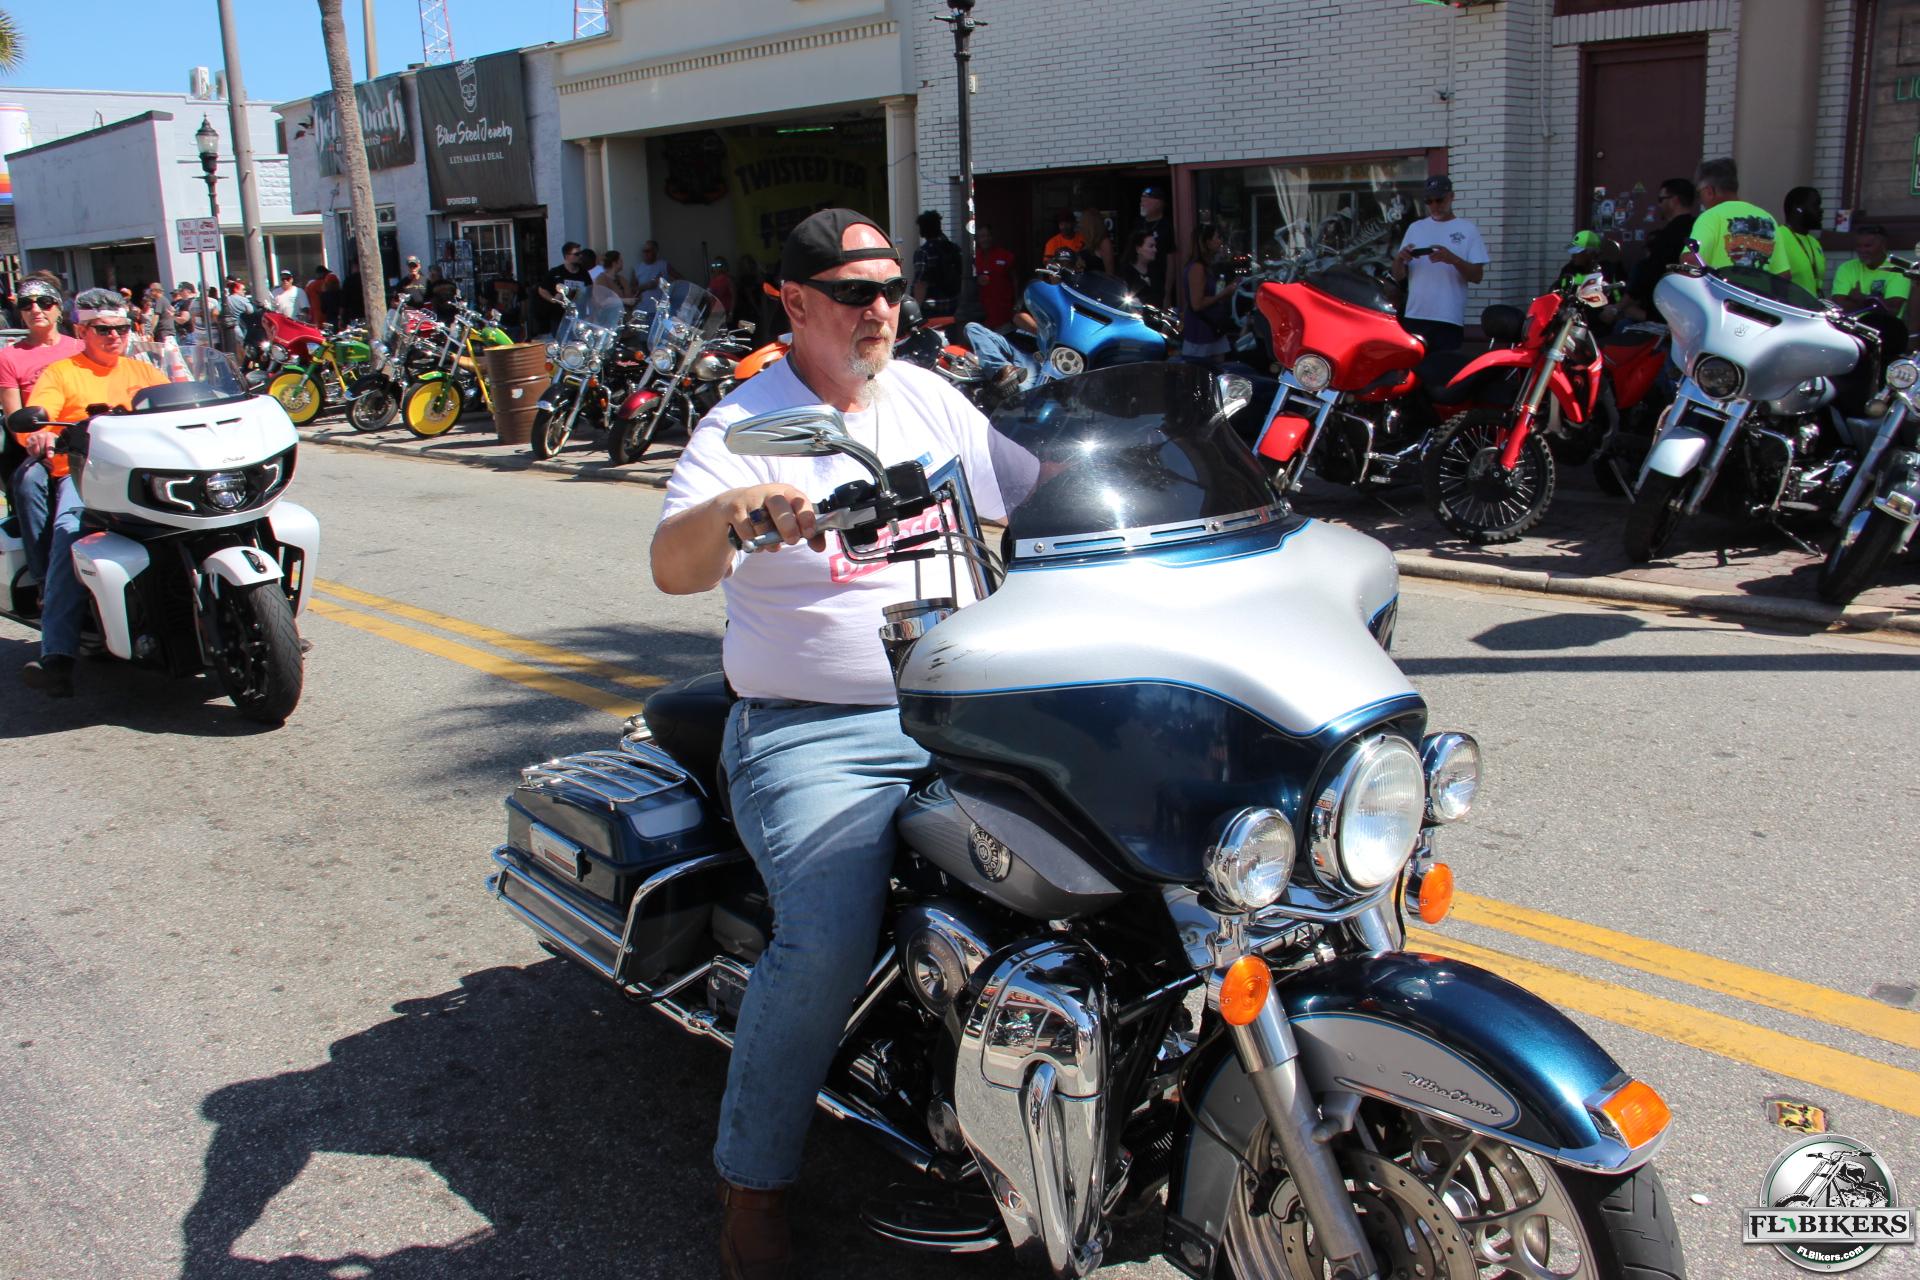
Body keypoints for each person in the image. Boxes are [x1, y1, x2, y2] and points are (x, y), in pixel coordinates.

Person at [651, 208, 1004, 1280]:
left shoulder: (928, 397)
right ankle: (752, 1184)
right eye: (855, 292)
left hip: (972, 705)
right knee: (829, 930)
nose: (881, 309)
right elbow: (672, 563)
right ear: (796, 302)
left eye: (892, 289)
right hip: (817, 728)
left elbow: (1037, 484)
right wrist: (739, 510)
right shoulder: (746, 421)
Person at [16, 289, 168, 697]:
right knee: (70, 534)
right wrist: (41, 435)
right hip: (86, 473)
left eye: (122, 328)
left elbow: (182, 404)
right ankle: (57, 656)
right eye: (103, 329)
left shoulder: (144, 371)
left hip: (151, 473)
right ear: (82, 331)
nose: (114, 336)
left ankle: (264, 625)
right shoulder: (62, 373)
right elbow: (40, 416)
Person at [1391, 174, 1489, 353]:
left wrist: (1453, 259)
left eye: (1439, 200)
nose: (1435, 205)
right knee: (1414, 367)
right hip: (1415, 315)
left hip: (1448, 317)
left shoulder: (1467, 230)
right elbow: (1398, 276)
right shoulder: (1416, 228)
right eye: (1429, 201)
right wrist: (1400, 259)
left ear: (1451, 197)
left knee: (1444, 367)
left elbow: (1477, 276)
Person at [1689, 157, 1784, 273]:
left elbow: (1690, 260)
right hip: (1758, 285)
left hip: (1721, 285)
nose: (1700, 200)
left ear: (1709, 191)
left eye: (1699, 193)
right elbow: (1783, 273)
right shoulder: (1768, 218)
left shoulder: (1710, 217)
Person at [1628, 178, 1696, 315]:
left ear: (1674, 200)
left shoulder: (1668, 235)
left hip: (1665, 310)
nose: (1659, 204)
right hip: (1692, 307)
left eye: (1661, 199)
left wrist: (1620, 306)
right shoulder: (1700, 228)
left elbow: (1650, 274)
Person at [1179, 223, 1234, 364]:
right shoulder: (1197, 268)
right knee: (1200, 370)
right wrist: (1223, 293)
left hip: (1213, 329)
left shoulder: (1207, 267)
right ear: (1207, 242)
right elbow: (1197, 304)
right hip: (1201, 330)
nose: (1220, 241)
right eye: (1217, 237)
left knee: (1219, 367)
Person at [1834, 223, 1910, 323]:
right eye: (1858, 246)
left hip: (1884, 327)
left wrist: (1860, 299)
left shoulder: (1898, 269)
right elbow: (1839, 307)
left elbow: (1893, 309)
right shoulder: (1846, 268)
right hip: (1850, 327)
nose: (1862, 250)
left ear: (1883, 245)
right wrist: (1875, 301)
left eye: (1867, 246)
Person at [1130, 184, 1177, 307]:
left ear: (1158, 203)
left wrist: (1167, 292)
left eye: (1147, 200)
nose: (1142, 203)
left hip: (1158, 284)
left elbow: (1171, 260)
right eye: (1142, 199)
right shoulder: (1138, 224)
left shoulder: (1166, 226)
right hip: (1138, 284)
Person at [910, 210, 962, 316]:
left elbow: (921, 283)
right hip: (953, 305)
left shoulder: (923, 252)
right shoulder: (954, 248)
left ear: (923, 229)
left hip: (932, 309)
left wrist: (915, 312)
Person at [1775, 186, 1826, 295]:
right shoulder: (1778, 236)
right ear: (1798, 208)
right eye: (1815, 205)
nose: (1821, 211)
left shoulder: (1814, 242)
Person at [536, 242, 591, 337]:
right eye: (577, 254)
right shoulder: (556, 272)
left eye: (580, 253)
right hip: (560, 317)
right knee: (561, 342)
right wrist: (552, 299)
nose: (580, 256)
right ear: (567, 256)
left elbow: (590, 291)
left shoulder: (584, 273)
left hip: (579, 317)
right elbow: (542, 289)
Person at [974, 224, 1016, 330]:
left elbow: (1016, 280)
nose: (985, 239)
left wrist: (1016, 304)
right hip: (982, 313)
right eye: (982, 236)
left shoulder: (1006, 256)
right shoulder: (973, 258)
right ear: (977, 239)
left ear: (992, 237)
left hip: (1003, 312)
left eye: (987, 235)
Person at [1120, 227, 1158, 299]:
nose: (1155, 250)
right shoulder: (1126, 272)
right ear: (1138, 249)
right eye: (1151, 246)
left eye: (1155, 246)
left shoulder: (1155, 270)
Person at [1077, 206, 1115, 275]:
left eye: (1083, 221)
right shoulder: (1087, 241)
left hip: (1099, 280)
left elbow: (1110, 272)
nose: (1081, 224)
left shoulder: (1104, 243)